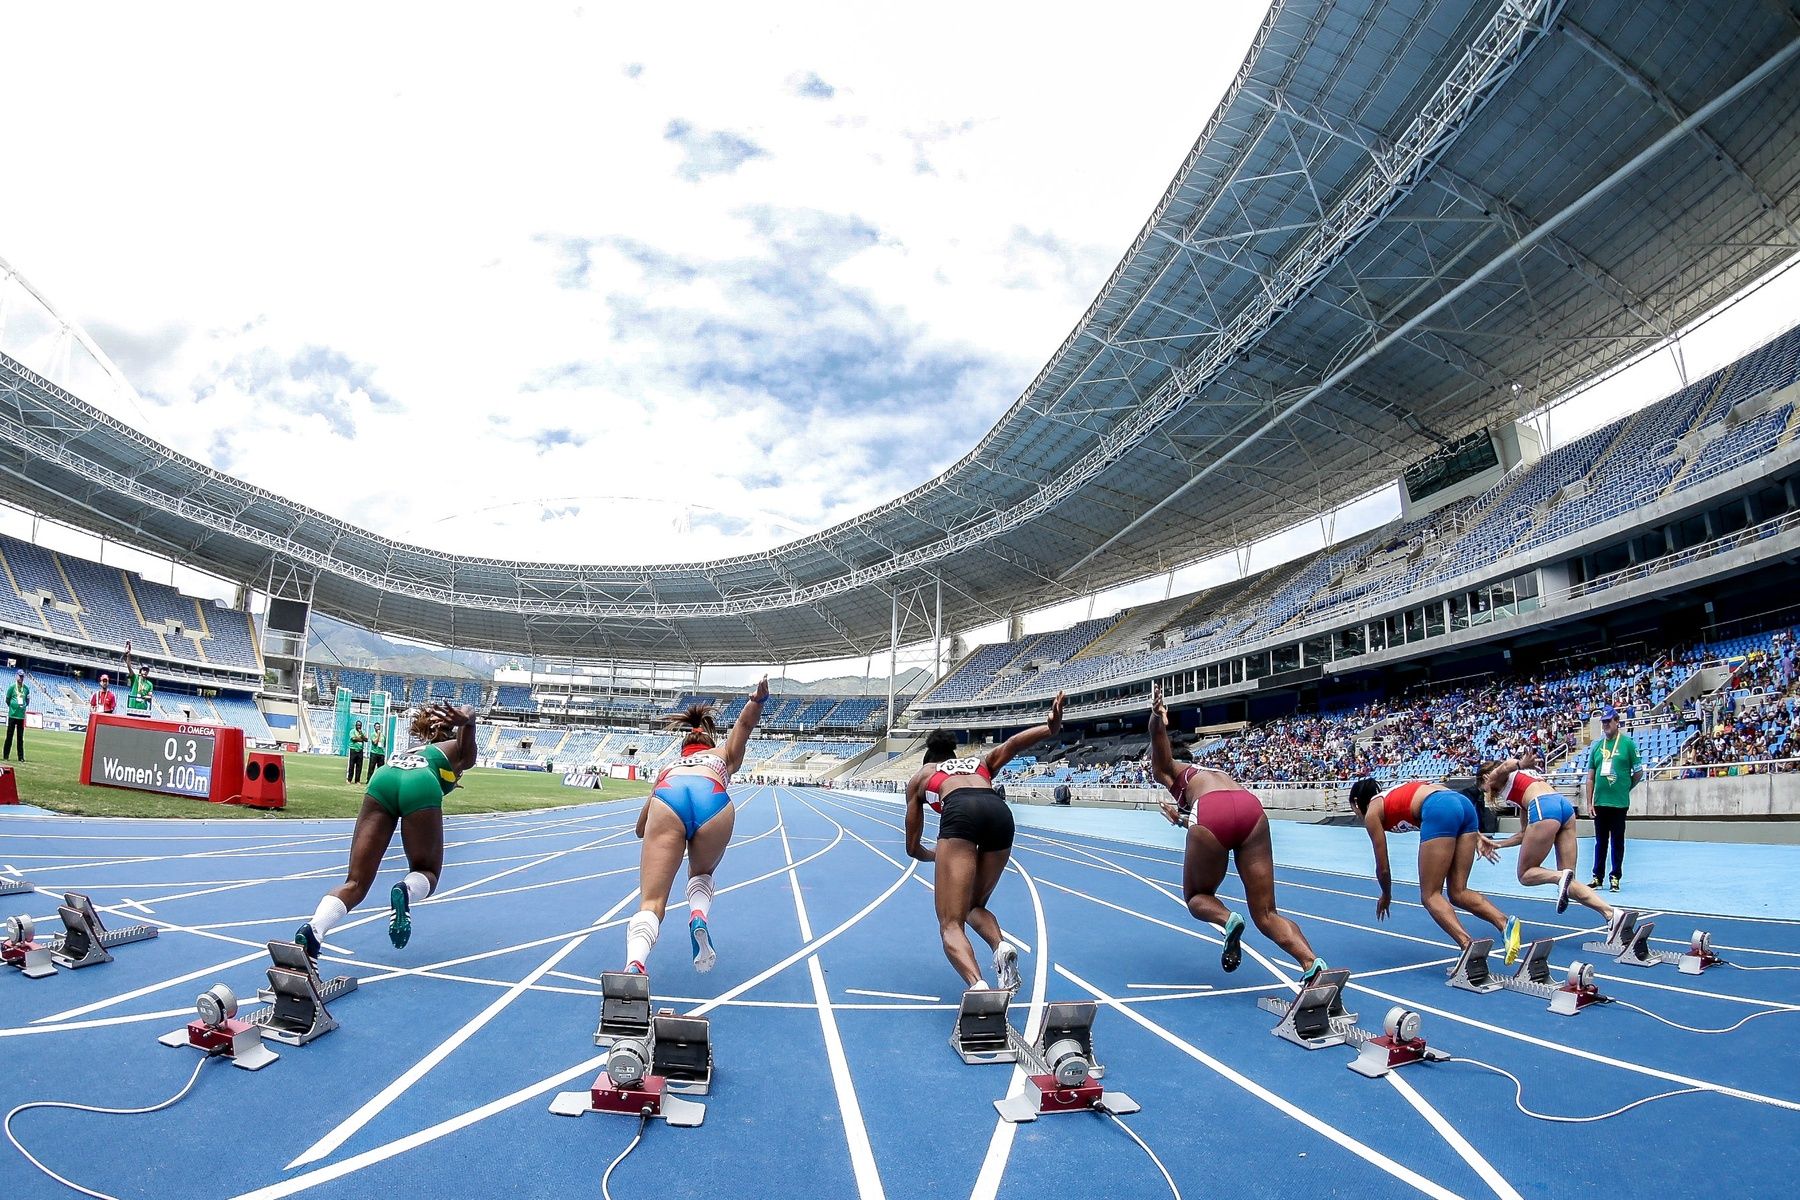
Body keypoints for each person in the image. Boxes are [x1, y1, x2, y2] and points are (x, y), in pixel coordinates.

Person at [1147, 685, 1325, 982]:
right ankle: (1311, 964)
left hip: (1212, 812)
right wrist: (1183, 820)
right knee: (1267, 913)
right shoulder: (1212, 774)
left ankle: (1228, 919)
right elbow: (1221, 814)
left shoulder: (1168, 771)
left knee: (1196, 897)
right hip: (1249, 808)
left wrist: (1156, 717)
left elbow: (1158, 743)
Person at [905, 693, 1065, 992]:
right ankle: (1000, 947)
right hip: (999, 813)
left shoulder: (922, 776)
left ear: (930, 761)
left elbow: (912, 847)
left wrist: (936, 855)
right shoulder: (979, 764)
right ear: (954, 758)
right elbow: (1013, 744)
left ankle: (978, 985)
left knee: (951, 923)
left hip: (962, 813)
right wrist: (1050, 729)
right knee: (972, 905)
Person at [295, 702, 476, 956]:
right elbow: (469, 714)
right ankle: (405, 890)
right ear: (452, 730)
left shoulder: (416, 749)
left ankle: (314, 930)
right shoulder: (458, 750)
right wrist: (468, 720)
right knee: (427, 871)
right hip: (420, 783)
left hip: (384, 778)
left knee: (355, 882)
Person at [623, 678, 769, 975]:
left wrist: (654, 833)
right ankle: (699, 912)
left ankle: (634, 965)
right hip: (712, 797)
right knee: (701, 873)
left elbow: (640, 827)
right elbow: (743, 727)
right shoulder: (722, 755)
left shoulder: (669, 767)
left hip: (668, 797)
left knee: (651, 901)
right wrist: (756, 701)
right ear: (708, 744)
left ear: (684, 750)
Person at [1348, 777, 1524, 963]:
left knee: (1430, 895)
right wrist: (1475, 834)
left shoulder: (1372, 813)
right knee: (1458, 891)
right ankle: (1505, 923)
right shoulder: (1394, 794)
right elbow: (1443, 793)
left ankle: (1466, 946)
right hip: (1463, 806)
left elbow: (1382, 867)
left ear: (1357, 803)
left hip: (1440, 809)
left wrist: (1386, 894)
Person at [1477, 753, 1614, 921]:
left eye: (1484, 788)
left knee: (1525, 874)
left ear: (1485, 777)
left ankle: (1559, 876)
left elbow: (1506, 766)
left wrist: (1520, 763)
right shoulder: (1523, 785)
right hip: (1563, 806)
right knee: (1570, 883)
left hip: (1544, 806)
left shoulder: (1495, 776)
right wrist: (1498, 844)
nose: (1489, 792)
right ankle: (1612, 914)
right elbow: (1524, 833)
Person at [1583, 705, 1641, 892]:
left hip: (1619, 803)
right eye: (1603, 722)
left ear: (1617, 722)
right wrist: (1589, 802)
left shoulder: (1628, 744)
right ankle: (1597, 877)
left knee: (1617, 840)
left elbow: (1639, 772)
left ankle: (1615, 876)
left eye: (1609, 721)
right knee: (1600, 841)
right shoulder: (1597, 747)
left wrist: (1626, 787)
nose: (1606, 725)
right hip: (1600, 802)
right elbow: (1590, 777)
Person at [121, 640, 154, 716]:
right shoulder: (135, 678)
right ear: (140, 671)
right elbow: (129, 666)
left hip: (142, 708)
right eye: (144, 670)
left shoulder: (149, 684)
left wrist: (145, 696)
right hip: (132, 706)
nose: (145, 672)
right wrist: (129, 655)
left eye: (147, 671)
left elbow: (150, 696)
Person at [4, 669, 28, 762]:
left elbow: (27, 700)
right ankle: (6, 756)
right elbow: (7, 700)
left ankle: (21, 757)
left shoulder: (26, 688)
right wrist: (12, 707)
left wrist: (22, 707)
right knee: (9, 736)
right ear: (16, 676)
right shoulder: (11, 687)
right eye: (20, 676)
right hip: (12, 716)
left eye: (22, 676)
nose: (21, 678)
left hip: (21, 717)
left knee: (20, 738)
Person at [347, 719, 368, 784]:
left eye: (360, 725)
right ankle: (349, 779)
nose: (359, 726)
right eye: (358, 725)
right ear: (355, 725)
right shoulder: (352, 731)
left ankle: (357, 780)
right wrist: (361, 739)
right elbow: (353, 739)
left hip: (360, 750)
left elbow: (366, 739)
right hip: (353, 750)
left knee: (359, 766)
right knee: (351, 765)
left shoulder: (362, 732)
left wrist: (362, 736)